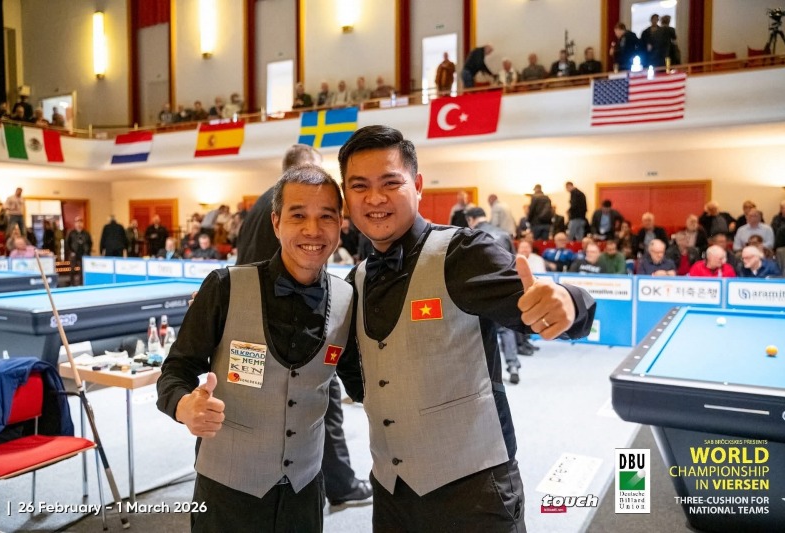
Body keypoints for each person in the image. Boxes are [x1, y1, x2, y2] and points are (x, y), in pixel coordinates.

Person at [335, 125, 595, 532]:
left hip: (475, 493)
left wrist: (569, 301)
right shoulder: (357, 280)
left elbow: (541, 303)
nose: (375, 198)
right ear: (346, 196)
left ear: (417, 185)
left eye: (390, 183)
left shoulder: (464, 253)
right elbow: (358, 376)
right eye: (359, 186)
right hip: (392, 494)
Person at [157, 166, 354, 531]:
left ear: (340, 225)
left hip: (305, 491)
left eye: (326, 216)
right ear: (276, 223)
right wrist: (184, 406)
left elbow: (364, 381)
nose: (313, 230)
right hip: (227, 491)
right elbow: (176, 370)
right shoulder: (224, 287)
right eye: (298, 216)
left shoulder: (347, 299)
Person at [234, 143, 373, 506]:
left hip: (252, 319)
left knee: (264, 405)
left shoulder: (258, 206)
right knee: (320, 399)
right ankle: (340, 484)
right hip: (287, 319)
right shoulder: (280, 207)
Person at [465, 206, 521, 385]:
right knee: (506, 329)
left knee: (482, 332)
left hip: (480, 291)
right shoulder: (503, 233)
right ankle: (513, 366)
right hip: (505, 289)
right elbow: (514, 262)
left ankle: (488, 375)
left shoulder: (470, 235)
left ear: (471, 219)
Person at [65, 217, 92, 285]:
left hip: (83, 254)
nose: (79, 224)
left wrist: (87, 252)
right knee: (72, 270)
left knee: (82, 270)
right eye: (77, 222)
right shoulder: (71, 233)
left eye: (80, 222)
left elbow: (90, 243)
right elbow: (67, 243)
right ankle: (72, 284)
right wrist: (71, 252)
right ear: (75, 224)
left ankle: (81, 284)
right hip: (74, 254)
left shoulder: (86, 233)